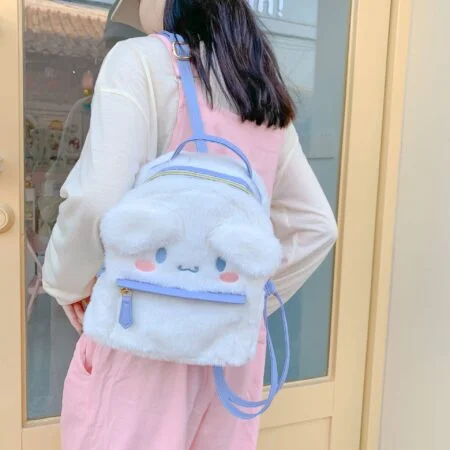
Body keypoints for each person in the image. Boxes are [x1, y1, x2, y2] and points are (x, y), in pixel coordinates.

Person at [42, 0, 338, 448]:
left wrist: (65, 282)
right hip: (227, 352)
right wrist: (234, 296)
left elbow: (96, 199)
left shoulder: (141, 60)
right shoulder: (259, 92)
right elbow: (315, 225)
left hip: (143, 339)